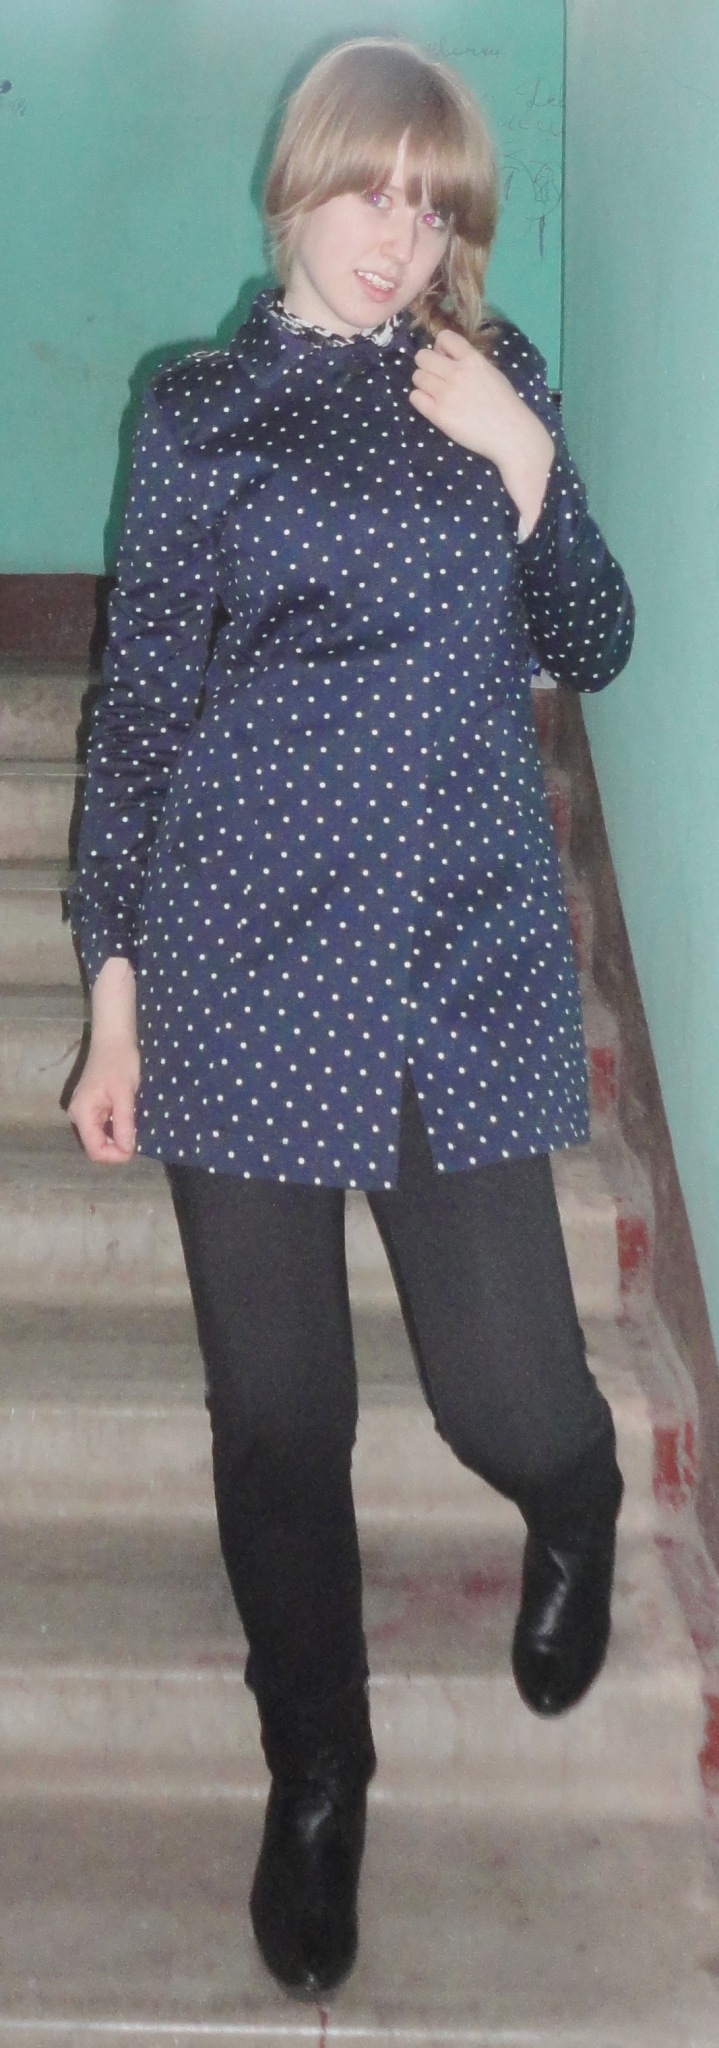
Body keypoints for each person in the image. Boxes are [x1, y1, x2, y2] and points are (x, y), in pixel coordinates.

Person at [68, 35, 635, 2002]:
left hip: (458, 962)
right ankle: (320, 1770)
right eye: (368, 188)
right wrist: (115, 992)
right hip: (239, 970)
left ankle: (580, 1498)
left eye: (432, 201)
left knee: (505, 1398)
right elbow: (141, 716)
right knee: (281, 1424)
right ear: (298, 181)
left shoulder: (494, 374)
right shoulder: (200, 411)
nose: (398, 235)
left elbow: (593, 639)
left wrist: (530, 469)